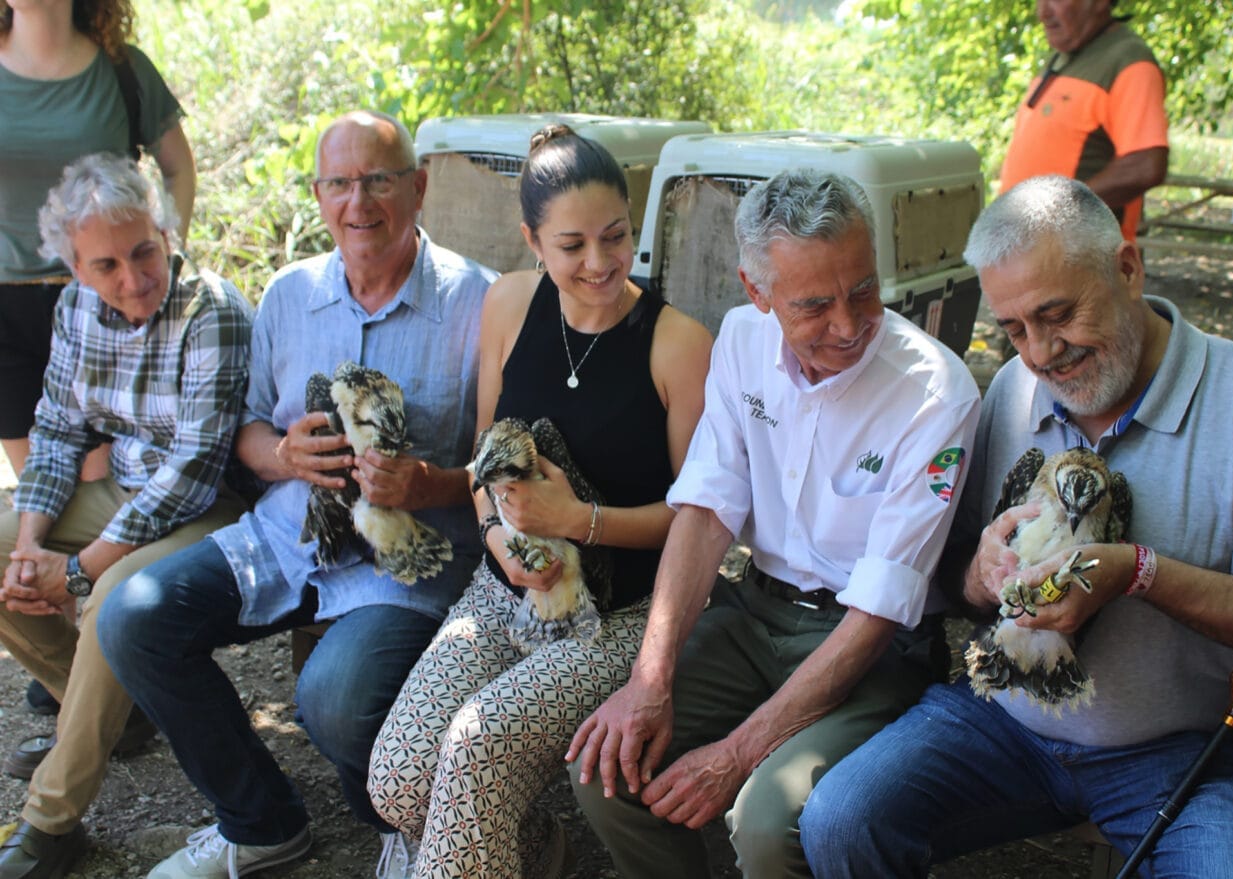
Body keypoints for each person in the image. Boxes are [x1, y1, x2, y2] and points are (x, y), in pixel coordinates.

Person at [798, 175, 1233, 878]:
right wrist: (979, 574)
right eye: (1014, 329)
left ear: (1127, 268)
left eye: (1059, 314)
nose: (1041, 353)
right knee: (841, 822)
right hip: (1003, 719)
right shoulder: (1013, 391)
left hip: (1190, 749)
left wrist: (1140, 574)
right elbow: (951, 573)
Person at [96, 110, 497, 879]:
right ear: (318, 195)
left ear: (418, 187)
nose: (359, 202)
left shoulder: (479, 302)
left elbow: (501, 463)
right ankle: (261, 823)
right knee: (133, 617)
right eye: (339, 183)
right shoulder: (288, 293)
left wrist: (432, 483)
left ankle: (409, 822)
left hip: (403, 564)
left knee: (335, 698)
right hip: (285, 538)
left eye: (378, 181)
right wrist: (281, 454)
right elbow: (246, 428)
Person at [565, 168, 982, 878]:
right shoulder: (741, 339)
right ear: (757, 292)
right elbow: (705, 512)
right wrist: (649, 678)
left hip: (872, 645)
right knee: (609, 767)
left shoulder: (935, 392)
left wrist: (736, 755)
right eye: (815, 305)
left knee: (766, 824)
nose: (848, 325)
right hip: (754, 611)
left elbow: (878, 613)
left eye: (864, 290)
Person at [366, 123, 712, 878]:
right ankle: (527, 851)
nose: (600, 262)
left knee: (474, 751)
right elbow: (484, 456)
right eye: (572, 245)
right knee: (397, 780)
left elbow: (698, 522)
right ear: (532, 240)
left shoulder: (677, 344)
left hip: (622, 616)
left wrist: (578, 522)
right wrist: (500, 540)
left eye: (615, 237)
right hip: (505, 588)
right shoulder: (509, 304)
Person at [0, 152, 249, 879]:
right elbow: (56, 431)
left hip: (210, 506)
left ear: (166, 233)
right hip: (123, 493)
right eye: (106, 264)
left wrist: (77, 571)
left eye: (144, 251)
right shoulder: (74, 309)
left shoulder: (211, 310)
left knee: (112, 596)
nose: (133, 278)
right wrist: (31, 544)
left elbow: (194, 470)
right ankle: (116, 708)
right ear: (74, 267)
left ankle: (51, 819)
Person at [1, 0, 196, 478]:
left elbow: (178, 167)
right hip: (4, 311)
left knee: (101, 484)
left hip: (106, 298)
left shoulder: (122, 69)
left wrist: (166, 251)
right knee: (40, 491)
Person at [998, 0, 1168, 242]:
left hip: (1080, 256)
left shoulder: (1129, 61)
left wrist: (1053, 213)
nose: (1043, 13)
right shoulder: (1062, 58)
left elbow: (1145, 166)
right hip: (1027, 251)